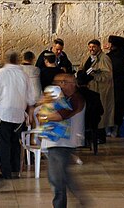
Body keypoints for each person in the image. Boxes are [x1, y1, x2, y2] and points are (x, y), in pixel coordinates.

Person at [40, 73, 87, 208]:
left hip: (64, 143)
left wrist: (44, 115)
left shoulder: (76, 99)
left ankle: (63, 204)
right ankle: (80, 198)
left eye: (59, 82)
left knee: (56, 178)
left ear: (68, 83)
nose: (57, 85)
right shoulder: (64, 98)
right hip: (58, 142)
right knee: (62, 175)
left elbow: (60, 116)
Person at [0, 51, 36, 180]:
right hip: (19, 113)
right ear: (18, 60)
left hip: (3, 112)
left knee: (4, 142)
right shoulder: (24, 75)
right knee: (16, 142)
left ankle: (6, 172)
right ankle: (15, 169)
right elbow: (31, 98)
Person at [79, 39, 114, 141]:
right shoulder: (88, 57)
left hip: (100, 90)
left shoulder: (104, 58)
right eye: (90, 47)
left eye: (93, 47)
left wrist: (94, 74)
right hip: (90, 89)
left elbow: (108, 75)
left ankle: (100, 137)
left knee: (100, 114)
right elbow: (83, 67)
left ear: (99, 47)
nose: (91, 49)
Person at [106, 35, 124, 129]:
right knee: (121, 107)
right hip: (122, 84)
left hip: (114, 85)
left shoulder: (109, 56)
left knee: (114, 107)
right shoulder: (122, 53)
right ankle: (117, 127)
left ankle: (113, 127)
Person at [75, 70, 104, 148]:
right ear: (88, 83)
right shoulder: (95, 95)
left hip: (77, 123)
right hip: (91, 123)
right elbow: (101, 111)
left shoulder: (74, 96)